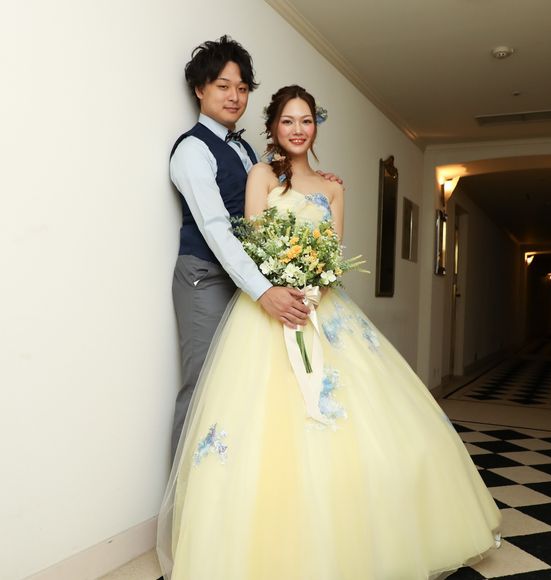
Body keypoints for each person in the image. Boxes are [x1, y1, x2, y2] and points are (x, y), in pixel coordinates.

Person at [157, 85, 501, 580]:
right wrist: (281, 283)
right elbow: (252, 241)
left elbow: (334, 256)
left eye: (306, 121)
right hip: (269, 308)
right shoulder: (259, 176)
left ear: (315, 127)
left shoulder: (334, 187)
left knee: (361, 428)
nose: (297, 130)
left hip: (323, 307)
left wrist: (314, 284)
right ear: (273, 128)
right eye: (288, 121)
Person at [169, 36, 312, 457]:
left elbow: (272, 204)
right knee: (204, 386)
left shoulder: (245, 149)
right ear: (200, 89)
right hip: (205, 277)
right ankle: (184, 493)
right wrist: (264, 291)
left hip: (242, 279)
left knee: (244, 385)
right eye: (223, 86)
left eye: (243, 88)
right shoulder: (192, 150)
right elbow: (215, 229)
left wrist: (318, 186)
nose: (234, 96)